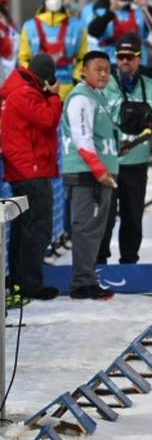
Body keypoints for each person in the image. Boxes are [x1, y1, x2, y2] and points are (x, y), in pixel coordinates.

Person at [98, 34, 152, 265]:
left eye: (130, 56)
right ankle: (100, 263)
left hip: (136, 164)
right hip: (108, 164)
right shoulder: (103, 84)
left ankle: (129, 263)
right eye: (121, 56)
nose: (125, 61)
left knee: (133, 217)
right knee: (105, 218)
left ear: (139, 57)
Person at [0, 53, 62, 301]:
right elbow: (48, 119)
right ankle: (29, 284)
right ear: (45, 77)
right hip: (31, 169)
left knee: (24, 229)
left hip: (22, 169)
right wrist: (54, 96)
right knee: (37, 228)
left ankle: (19, 280)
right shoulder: (25, 93)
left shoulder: (16, 89)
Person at [59, 50, 117, 300]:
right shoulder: (81, 98)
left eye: (107, 70)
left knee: (94, 230)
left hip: (95, 172)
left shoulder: (97, 96)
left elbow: (98, 137)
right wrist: (100, 171)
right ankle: (82, 284)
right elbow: (82, 139)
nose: (103, 74)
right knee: (86, 228)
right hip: (87, 174)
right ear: (84, 71)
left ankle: (87, 279)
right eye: (98, 69)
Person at [19, 0, 88, 97]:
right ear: (44, 0)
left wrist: (75, 79)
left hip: (69, 91)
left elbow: (84, 57)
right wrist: (34, 78)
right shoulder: (29, 27)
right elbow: (23, 58)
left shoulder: (77, 27)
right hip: (39, 90)